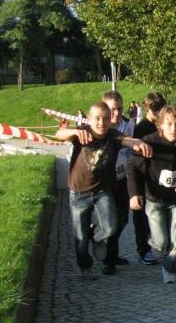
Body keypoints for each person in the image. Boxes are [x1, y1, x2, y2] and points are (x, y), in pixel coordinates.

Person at [56, 102, 151, 278]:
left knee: (110, 228)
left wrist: (137, 142)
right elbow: (59, 134)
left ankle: (96, 236)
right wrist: (74, 132)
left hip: (102, 191)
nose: (102, 123)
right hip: (78, 193)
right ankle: (85, 268)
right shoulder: (82, 132)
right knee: (80, 239)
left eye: (105, 118)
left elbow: (125, 140)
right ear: (89, 119)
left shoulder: (112, 134)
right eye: (97, 119)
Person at [127, 105, 176, 283]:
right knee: (161, 243)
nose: (173, 128)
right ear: (160, 124)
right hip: (155, 198)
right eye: (169, 124)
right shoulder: (149, 141)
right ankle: (156, 245)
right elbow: (132, 167)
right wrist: (134, 194)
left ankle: (169, 267)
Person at [102, 90, 135, 274]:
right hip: (104, 181)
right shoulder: (99, 126)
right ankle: (108, 259)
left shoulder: (128, 125)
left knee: (123, 219)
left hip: (123, 178)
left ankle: (112, 253)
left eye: (120, 109)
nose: (116, 113)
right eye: (112, 109)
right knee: (110, 221)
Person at [132, 92, 166, 265]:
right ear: (147, 109)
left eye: (160, 109)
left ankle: (161, 246)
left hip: (161, 176)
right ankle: (143, 250)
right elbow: (136, 159)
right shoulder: (141, 128)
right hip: (144, 176)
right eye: (155, 110)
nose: (158, 113)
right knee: (141, 217)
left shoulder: (164, 125)